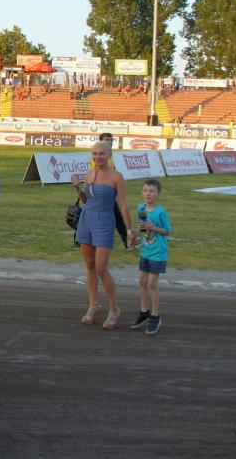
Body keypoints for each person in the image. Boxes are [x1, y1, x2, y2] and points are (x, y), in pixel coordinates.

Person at [71, 141, 132, 330]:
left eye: (101, 154)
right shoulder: (89, 174)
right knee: (89, 264)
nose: (98, 157)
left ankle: (114, 310)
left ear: (109, 155)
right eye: (95, 154)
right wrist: (77, 189)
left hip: (104, 221)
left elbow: (123, 205)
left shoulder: (116, 176)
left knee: (101, 268)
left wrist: (129, 230)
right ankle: (93, 306)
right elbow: (87, 200)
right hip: (86, 220)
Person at [130, 178, 172, 335]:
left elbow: (167, 231)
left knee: (152, 284)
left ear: (158, 193)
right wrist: (134, 235)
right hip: (145, 251)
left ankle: (155, 315)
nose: (148, 194)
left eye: (152, 191)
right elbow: (143, 228)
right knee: (142, 282)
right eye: (145, 191)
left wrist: (154, 227)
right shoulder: (141, 208)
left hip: (158, 253)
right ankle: (144, 311)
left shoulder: (161, 212)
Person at [98, 132, 128, 250]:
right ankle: (128, 242)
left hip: (107, 192)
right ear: (101, 141)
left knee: (115, 218)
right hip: (101, 192)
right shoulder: (99, 156)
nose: (110, 142)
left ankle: (79, 240)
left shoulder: (110, 155)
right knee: (117, 218)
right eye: (107, 140)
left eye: (111, 140)